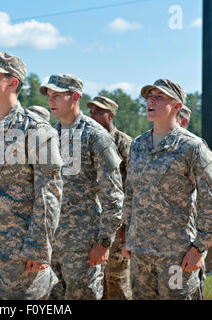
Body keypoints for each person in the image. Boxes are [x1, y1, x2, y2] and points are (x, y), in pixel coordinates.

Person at [0, 52, 63, 300]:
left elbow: (49, 193)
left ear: (13, 82)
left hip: (19, 254)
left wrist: (39, 247)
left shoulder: (36, 130)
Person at [121, 78, 212, 300]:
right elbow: (130, 194)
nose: (151, 101)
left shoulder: (192, 148)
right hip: (141, 256)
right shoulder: (138, 145)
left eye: (159, 97)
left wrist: (198, 249)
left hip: (177, 258)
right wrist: (129, 237)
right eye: (149, 96)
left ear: (177, 106)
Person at [40, 74, 124, 300]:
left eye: (57, 95)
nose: (51, 101)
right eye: (49, 95)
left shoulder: (95, 136)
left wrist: (104, 242)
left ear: (75, 97)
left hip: (83, 247)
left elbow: (114, 195)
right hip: (51, 246)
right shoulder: (49, 136)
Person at [87, 96, 132, 300]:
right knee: (94, 280)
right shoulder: (88, 140)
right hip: (92, 223)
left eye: (97, 112)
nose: (92, 115)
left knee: (117, 280)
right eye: (91, 111)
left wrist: (127, 227)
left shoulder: (123, 143)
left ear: (110, 115)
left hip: (117, 223)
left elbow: (133, 187)